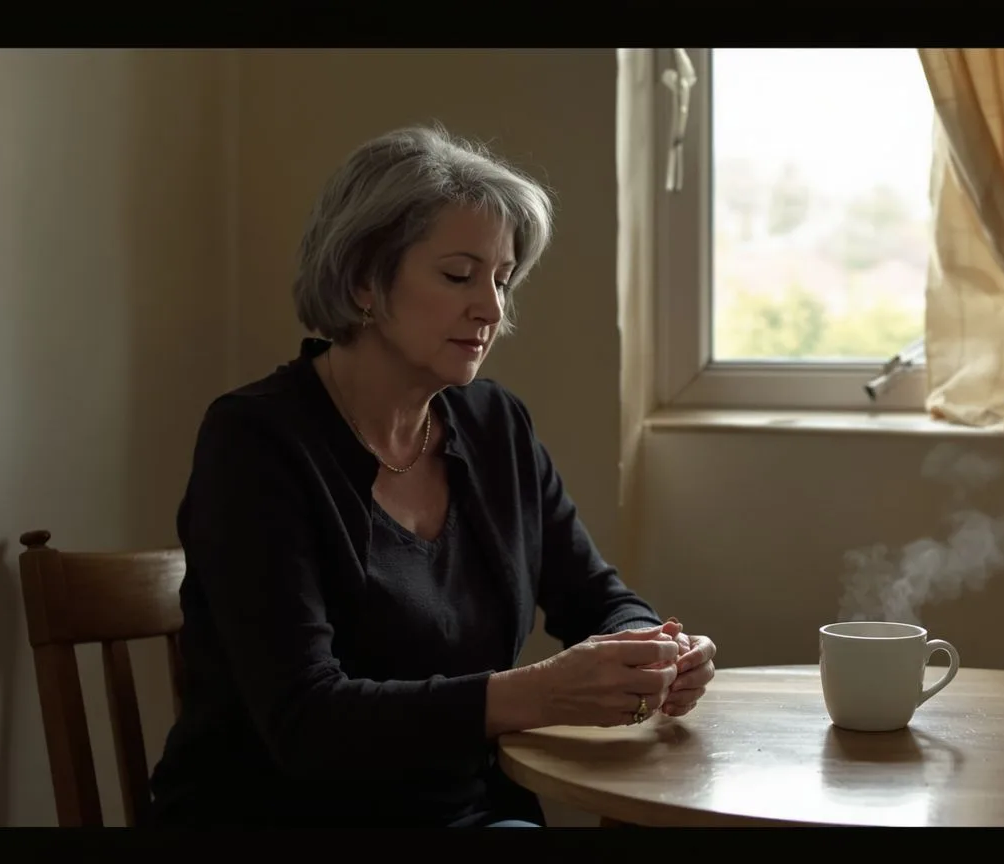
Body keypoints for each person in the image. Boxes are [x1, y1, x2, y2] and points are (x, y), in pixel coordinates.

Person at [147, 125, 717, 829]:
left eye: (502, 279)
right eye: (458, 275)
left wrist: (655, 649)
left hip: (469, 815)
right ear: (363, 279)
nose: (492, 309)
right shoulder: (255, 441)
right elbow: (305, 722)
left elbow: (596, 596)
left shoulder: (495, 425)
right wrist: (535, 693)